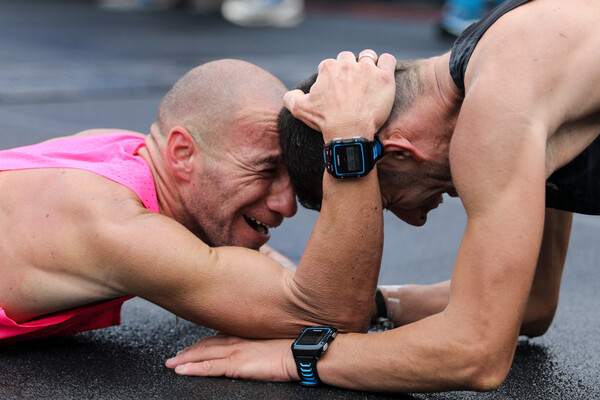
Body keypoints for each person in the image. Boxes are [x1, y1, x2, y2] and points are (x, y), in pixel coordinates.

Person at [165, 0, 600, 392]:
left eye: (387, 201)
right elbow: (533, 304)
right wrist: (378, 304)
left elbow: (476, 351)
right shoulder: (508, 59)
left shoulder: (498, 103)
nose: (415, 220)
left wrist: (293, 356)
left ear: (395, 152)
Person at [0, 58, 394, 344]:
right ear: (183, 153)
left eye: (288, 176)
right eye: (264, 170)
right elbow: (332, 315)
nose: (286, 205)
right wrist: (351, 136)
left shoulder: (119, 149)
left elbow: (273, 276)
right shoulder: (112, 223)